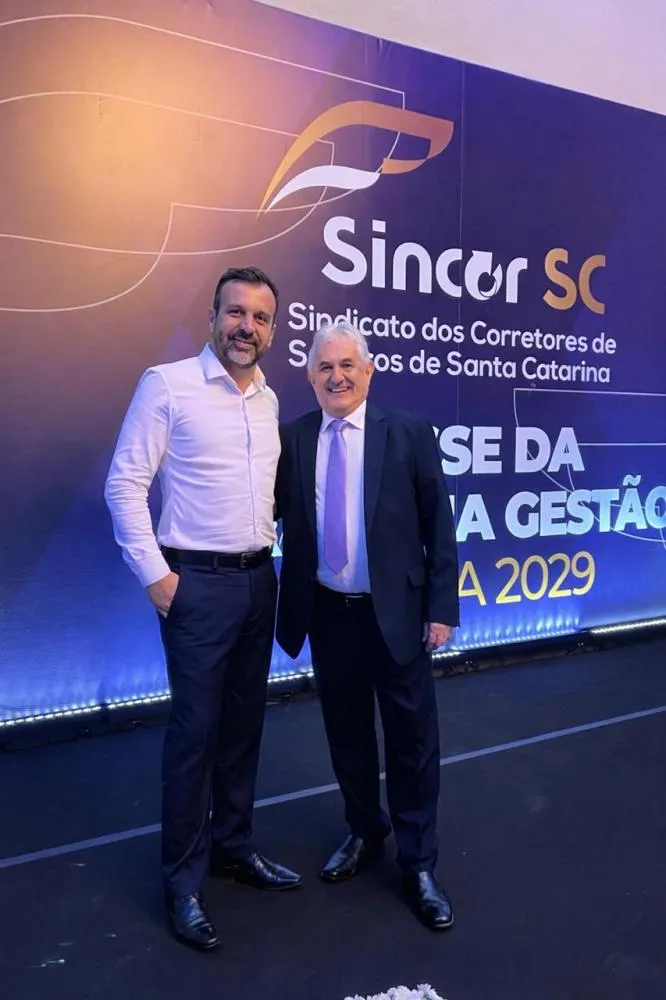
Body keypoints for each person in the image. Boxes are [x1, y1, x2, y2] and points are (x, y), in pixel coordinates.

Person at [104, 266, 301, 953]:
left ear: (272, 330)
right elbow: (125, 483)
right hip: (196, 587)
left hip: (258, 582)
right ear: (212, 317)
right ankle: (182, 884)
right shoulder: (168, 385)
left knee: (244, 728)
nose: (247, 327)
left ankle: (233, 849)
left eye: (261, 318)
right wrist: (158, 579)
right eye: (236, 313)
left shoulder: (269, 400)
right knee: (194, 737)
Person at [275, 320, 459, 931]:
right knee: (347, 736)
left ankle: (419, 862)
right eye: (325, 367)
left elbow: (438, 524)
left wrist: (441, 607)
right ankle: (364, 830)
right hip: (330, 615)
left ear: (369, 372)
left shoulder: (407, 433)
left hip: (398, 616)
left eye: (347, 365)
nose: (337, 377)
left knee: (412, 742)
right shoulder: (294, 437)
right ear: (310, 377)